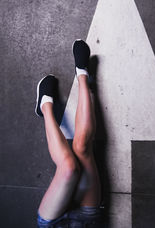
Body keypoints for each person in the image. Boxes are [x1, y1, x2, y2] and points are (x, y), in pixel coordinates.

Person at [35, 39, 104, 227]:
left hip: (54, 224)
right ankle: (82, 74)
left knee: (69, 168)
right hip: (87, 221)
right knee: (82, 147)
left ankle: (45, 105)